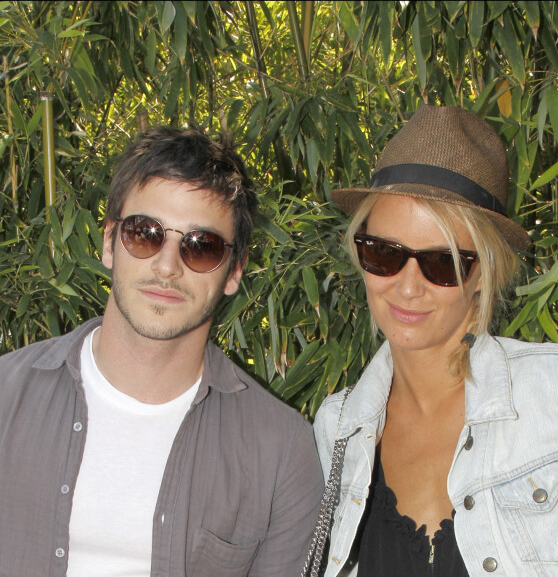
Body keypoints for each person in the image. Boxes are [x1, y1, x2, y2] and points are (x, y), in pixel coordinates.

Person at [0, 126, 323, 576]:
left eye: (201, 246)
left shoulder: (280, 451)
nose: (167, 266)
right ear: (110, 241)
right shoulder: (6, 398)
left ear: (234, 272)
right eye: (145, 233)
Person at [313, 105, 558, 576]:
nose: (408, 286)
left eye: (443, 263)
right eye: (384, 254)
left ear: (482, 274)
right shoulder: (339, 428)